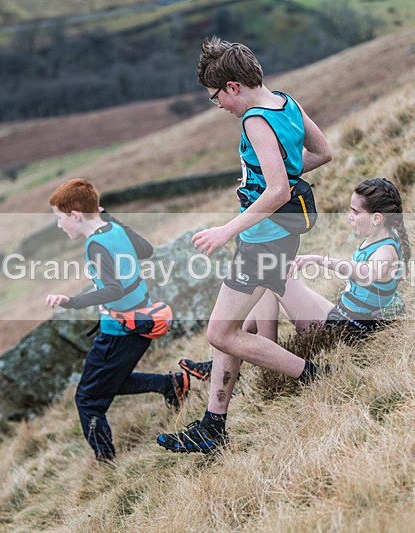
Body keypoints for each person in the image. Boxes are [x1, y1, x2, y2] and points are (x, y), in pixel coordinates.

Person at [156, 37, 332, 453]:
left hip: (262, 240)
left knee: (220, 334)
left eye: (216, 96)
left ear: (233, 86)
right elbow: (322, 153)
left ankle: (314, 374)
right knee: (229, 328)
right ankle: (213, 425)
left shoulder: (254, 119)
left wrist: (226, 230)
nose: (217, 105)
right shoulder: (287, 102)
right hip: (275, 237)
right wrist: (274, 173)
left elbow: (276, 192)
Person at [178, 178, 411, 381]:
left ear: (378, 218)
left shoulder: (386, 251)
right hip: (345, 314)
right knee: (270, 280)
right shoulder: (382, 237)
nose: (349, 217)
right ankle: (233, 352)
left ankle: (264, 358)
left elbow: (367, 274)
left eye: (355, 212)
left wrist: (318, 259)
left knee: (269, 281)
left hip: (350, 332)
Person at [45, 178, 190, 463]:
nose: (59, 225)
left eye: (60, 218)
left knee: (87, 399)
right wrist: (110, 217)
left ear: (74, 215)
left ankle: (106, 460)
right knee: (110, 381)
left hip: (120, 332)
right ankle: (171, 384)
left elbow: (114, 290)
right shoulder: (113, 228)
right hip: (140, 322)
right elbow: (146, 250)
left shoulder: (95, 245)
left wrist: (71, 301)